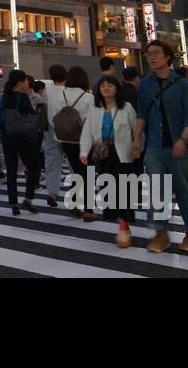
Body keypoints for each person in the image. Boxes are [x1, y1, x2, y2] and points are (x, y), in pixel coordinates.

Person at [135, 40, 188, 253]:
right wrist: (137, 138)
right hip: (155, 146)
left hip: (180, 146)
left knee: (186, 191)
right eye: (148, 54)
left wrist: (183, 140)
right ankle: (160, 233)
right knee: (157, 191)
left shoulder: (182, 84)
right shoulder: (145, 84)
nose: (151, 57)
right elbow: (142, 113)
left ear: (167, 57)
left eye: (156, 53)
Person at [81, 75, 137, 248]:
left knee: (122, 190)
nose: (106, 88)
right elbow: (88, 131)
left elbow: (136, 129)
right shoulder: (94, 108)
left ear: (116, 88)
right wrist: (84, 151)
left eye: (110, 85)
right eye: (102, 85)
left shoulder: (126, 107)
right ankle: (123, 224)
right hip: (103, 154)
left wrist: (137, 147)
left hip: (123, 153)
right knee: (108, 190)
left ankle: (123, 227)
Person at [52, 65, 95, 217]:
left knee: (78, 171)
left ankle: (73, 201)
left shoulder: (60, 95)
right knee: (87, 173)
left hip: (65, 139)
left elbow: (54, 119)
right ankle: (89, 211)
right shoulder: (89, 97)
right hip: (83, 140)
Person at [0, 70, 43, 214]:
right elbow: (32, 115)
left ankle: (14, 204)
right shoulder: (22, 97)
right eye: (25, 81)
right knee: (34, 166)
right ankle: (28, 198)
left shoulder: (5, 96)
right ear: (20, 82)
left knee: (11, 170)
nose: (27, 83)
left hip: (7, 135)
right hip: (22, 137)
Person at [41, 64, 70, 206]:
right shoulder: (69, 91)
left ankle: (52, 193)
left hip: (52, 129)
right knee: (73, 162)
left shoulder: (47, 91)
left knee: (52, 163)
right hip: (69, 130)